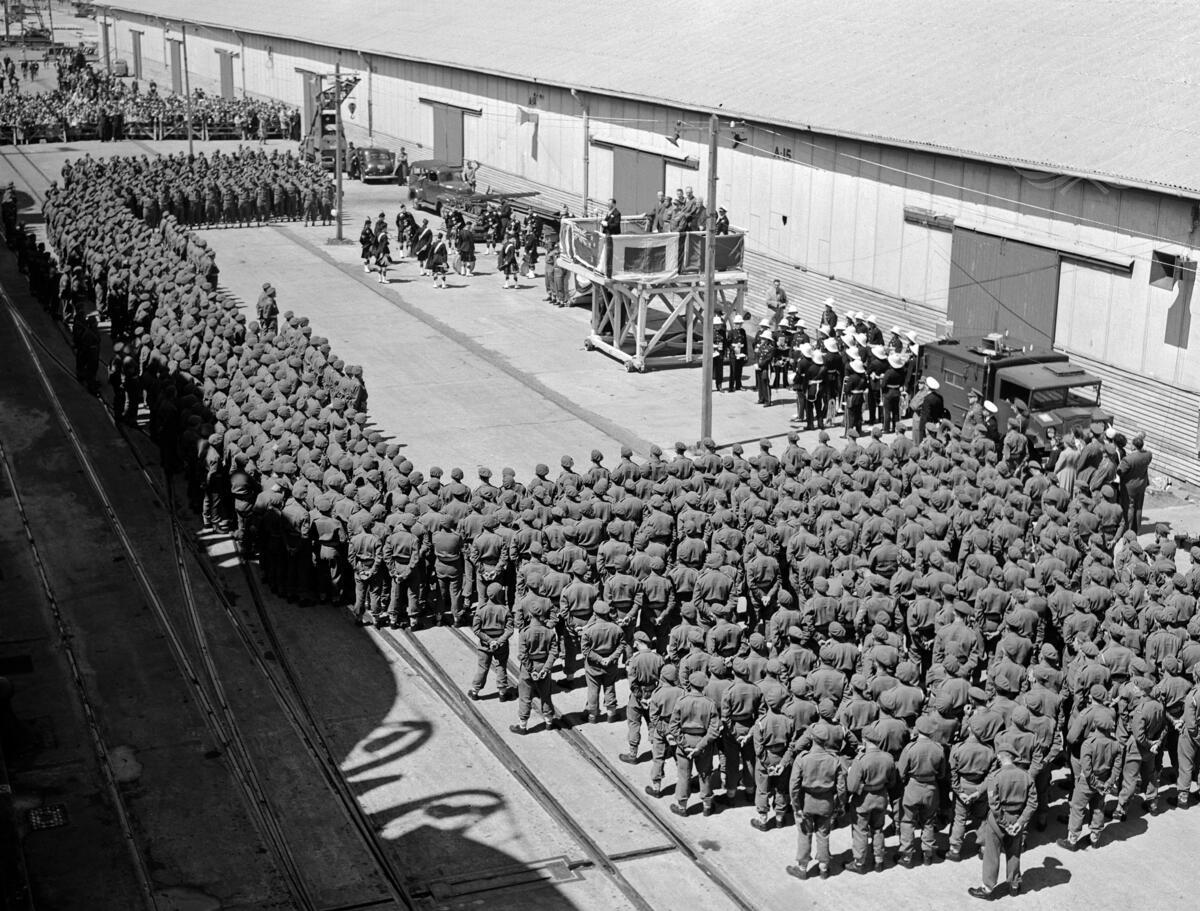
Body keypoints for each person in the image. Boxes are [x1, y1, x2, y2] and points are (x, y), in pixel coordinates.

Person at [969, 746, 1036, 900]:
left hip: (998, 821)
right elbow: (1033, 803)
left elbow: (994, 805)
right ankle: (1014, 884)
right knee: (1014, 853)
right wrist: (1020, 822)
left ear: (1000, 756)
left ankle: (987, 888)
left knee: (992, 853)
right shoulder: (1026, 776)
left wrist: (1005, 824)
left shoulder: (996, 776)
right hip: (1017, 818)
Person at [1118, 433, 1152, 533]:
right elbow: (1147, 452)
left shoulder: (1128, 459)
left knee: (1130, 507)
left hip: (1130, 487)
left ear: (1133, 446)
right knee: (1139, 507)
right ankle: (1137, 529)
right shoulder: (1148, 455)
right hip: (1141, 485)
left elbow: (1120, 472)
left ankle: (1128, 530)